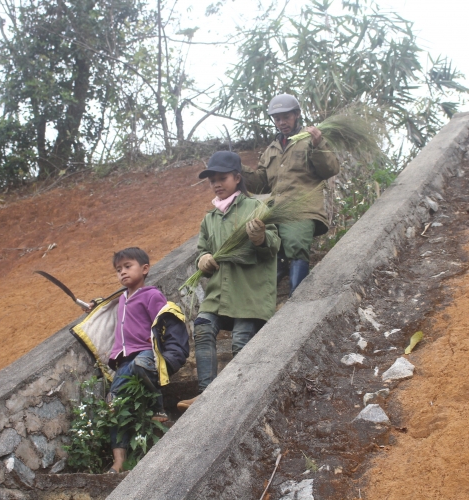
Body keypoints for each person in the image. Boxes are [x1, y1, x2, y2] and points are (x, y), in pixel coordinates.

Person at [177, 151, 280, 410]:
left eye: (222, 178)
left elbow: (275, 243)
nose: (217, 184)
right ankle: (206, 394)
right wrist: (204, 259)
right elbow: (203, 250)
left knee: (240, 341)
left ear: (237, 177)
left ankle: (241, 396)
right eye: (212, 181)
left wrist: (261, 238)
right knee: (202, 327)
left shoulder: (256, 207)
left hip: (249, 292)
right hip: (219, 292)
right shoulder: (209, 219)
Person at [242, 93, 340, 295]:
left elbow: (330, 169)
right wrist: (239, 170)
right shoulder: (271, 149)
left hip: (302, 209)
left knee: (295, 242)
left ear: (296, 115)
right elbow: (262, 184)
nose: (281, 122)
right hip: (277, 212)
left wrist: (318, 144)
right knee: (265, 246)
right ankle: (269, 298)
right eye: (277, 118)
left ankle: (298, 297)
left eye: (286, 117)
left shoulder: (310, 139)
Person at [106, 247, 189, 473]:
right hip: (124, 361)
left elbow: (164, 322)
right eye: (118, 269)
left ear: (144, 269)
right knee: (114, 404)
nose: (122, 272)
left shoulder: (152, 295)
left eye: (127, 266)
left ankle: (158, 408)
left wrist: (168, 354)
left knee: (142, 365)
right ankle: (119, 460)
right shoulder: (121, 299)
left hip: (145, 352)